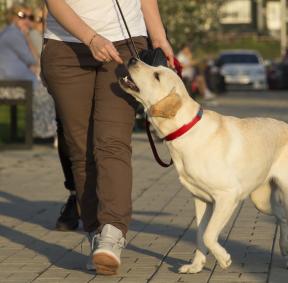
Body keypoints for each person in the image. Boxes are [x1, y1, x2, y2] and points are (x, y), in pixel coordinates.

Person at [41, 0, 174, 275]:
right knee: (81, 149)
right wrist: (91, 38)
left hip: (124, 44)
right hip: (65, 46)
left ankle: (112, 234)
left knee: (112, 143)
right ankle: (95, 234)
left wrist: (159, 39)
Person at [28, 6, 80, 232]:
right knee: (66, 127)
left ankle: (103, 198)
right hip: (64, 47)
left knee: (105, 131)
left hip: (112, 44)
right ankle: (75, 194)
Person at [0, 4, 56, 141]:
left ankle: (43, 132)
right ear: (12, 17)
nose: (27, 20)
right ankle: (43, 133)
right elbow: (33, 59)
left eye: (29, 17)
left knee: (47, 89)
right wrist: (27, 37)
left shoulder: (9, 32)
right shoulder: (14, 34)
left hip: (15, 80)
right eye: (22, 16)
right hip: (12, 84)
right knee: (48, 91)